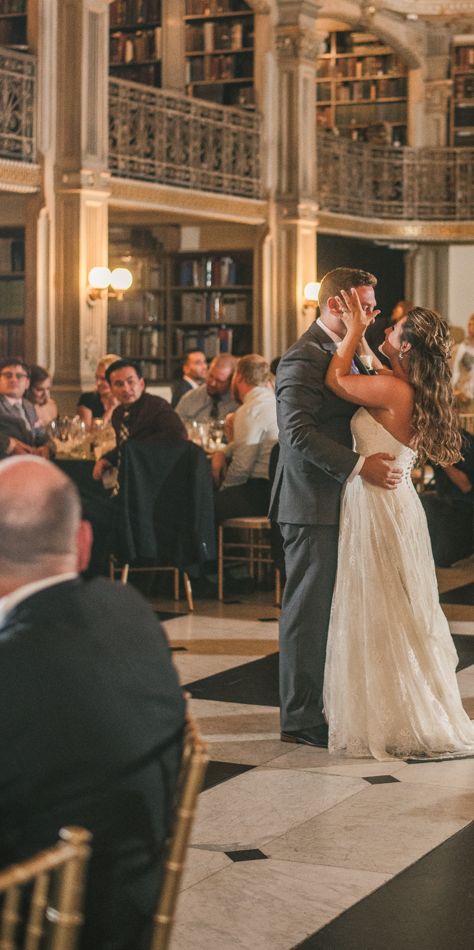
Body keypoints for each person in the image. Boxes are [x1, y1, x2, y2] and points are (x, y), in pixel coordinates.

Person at [0, 457, 186, 950]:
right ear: (83, 544)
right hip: (123, 912)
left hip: (27, 923)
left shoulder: (11, 670)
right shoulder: (128, 611)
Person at [323, 290, 474, 761]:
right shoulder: (400, 383)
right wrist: (358, 329)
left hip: (380, 505)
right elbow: (365, 364)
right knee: (392, 606)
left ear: (405, 347)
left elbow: (338, 378)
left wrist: (357, 329)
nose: (384, 331)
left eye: (393, 330)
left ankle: (397, 714)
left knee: (383, 606)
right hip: (391, 502)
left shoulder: (395, 390)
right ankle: (393, 706)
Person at [272, 267, 403, 749]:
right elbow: (298, 433)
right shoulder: (302, 358)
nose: (373, 314)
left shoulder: (347, 350)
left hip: (345, 500)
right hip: (311, 501)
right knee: (308, 610)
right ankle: (300, 717)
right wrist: (358, 465)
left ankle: (328, 702)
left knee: (334, 608)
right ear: (335, 307)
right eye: (365, 306)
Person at [93, 360, 188, 482]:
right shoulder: (118, 413)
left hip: (158, 476)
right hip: (130, 477)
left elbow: (179, 435)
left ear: (141, 384)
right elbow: (124, 447)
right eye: (119, 384)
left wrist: (136, 447)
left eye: (130, 382)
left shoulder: (156, 405)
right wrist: (107, 458)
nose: (126, 389)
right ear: (111, 389)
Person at [212, 355, 278, 521]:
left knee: (202, 506)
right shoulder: (274, 402)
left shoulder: (250, 409)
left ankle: (225, 548)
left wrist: (223, 490)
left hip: (262, 491)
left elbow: (242, 467)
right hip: (281, 491)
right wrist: (223, 451)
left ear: (238, 377)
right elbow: (247, 444)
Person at [421, 429, 474, 567]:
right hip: (443, 504)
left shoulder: (468, 444)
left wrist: (443, 461)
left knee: (442, 559)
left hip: (464, 509)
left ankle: (470, 548)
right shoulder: (437, 439)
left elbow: (466, 486)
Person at [0, 358, 48, 449]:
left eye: (19, 376)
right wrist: (12, 445)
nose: (13, 380)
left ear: (27, 383)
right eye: (8, 375)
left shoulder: (29, 406)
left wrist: (47, 448)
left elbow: (41, 436)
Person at [176, 353, 238, 423]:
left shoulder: (237, 403)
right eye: (210, 376)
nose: (212, 383)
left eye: (219, 381)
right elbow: (175, 426)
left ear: (231, 381)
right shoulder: (190, 398)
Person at [77, 353, 121, 426]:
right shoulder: (87, 399)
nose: (98, 383)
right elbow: (87, 434)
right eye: (96, 377)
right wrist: (112, 409)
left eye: (103, 379)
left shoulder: (128, 401)